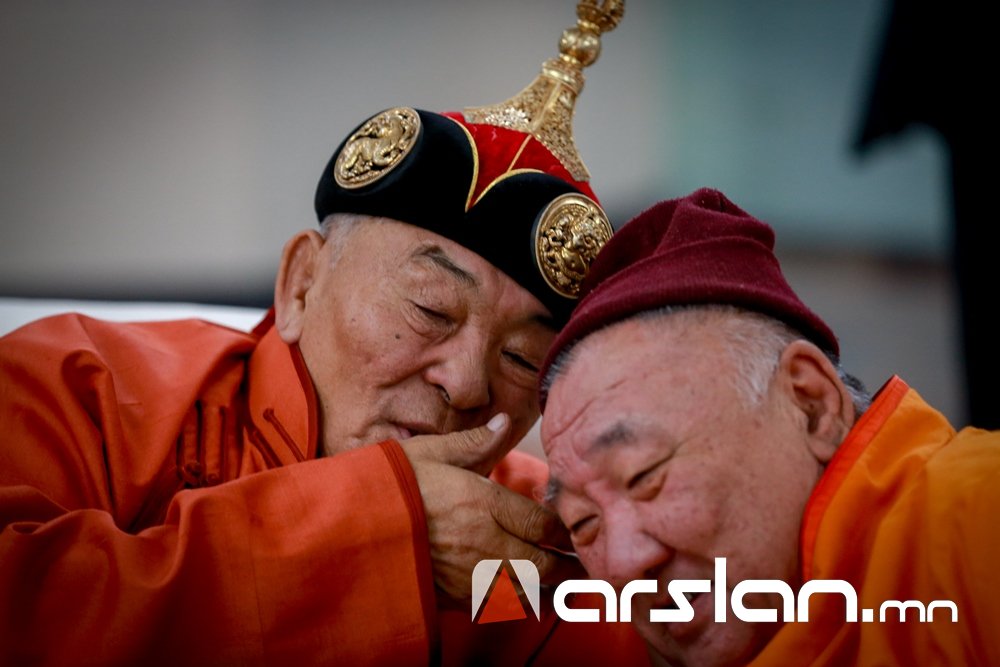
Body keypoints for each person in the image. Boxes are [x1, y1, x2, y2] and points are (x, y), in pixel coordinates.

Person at [0, 3, 649, 665]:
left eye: (520, 357)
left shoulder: (527, 541)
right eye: (430, 310)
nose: (466, 382)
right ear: (301, 283)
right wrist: (381, 534)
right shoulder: (86, 387)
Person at [538, 187, 1000, 666]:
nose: (625, 563)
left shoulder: (976, 522)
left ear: (811, 403)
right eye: (583, 523)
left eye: (644, 476)